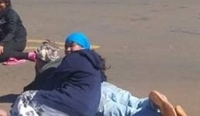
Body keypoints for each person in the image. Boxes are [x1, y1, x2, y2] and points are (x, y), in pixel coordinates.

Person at [25, 41, 187, 116]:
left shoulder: (49, 70)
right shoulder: (85, 59)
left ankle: (157, 115)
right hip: (103, 86)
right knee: (132, 101)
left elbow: (35, 91)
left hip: (91, 98)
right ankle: (153, 103)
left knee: (125, 113)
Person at [11, 32, 105, 116]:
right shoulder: (95, 64)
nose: (68, 49)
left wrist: (40, 92)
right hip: (90, 111)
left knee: (25, 98)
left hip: (70, 105)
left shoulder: (74, 57)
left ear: (83, 47)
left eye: (72, 45)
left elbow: (52, 81)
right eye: (66, 46)